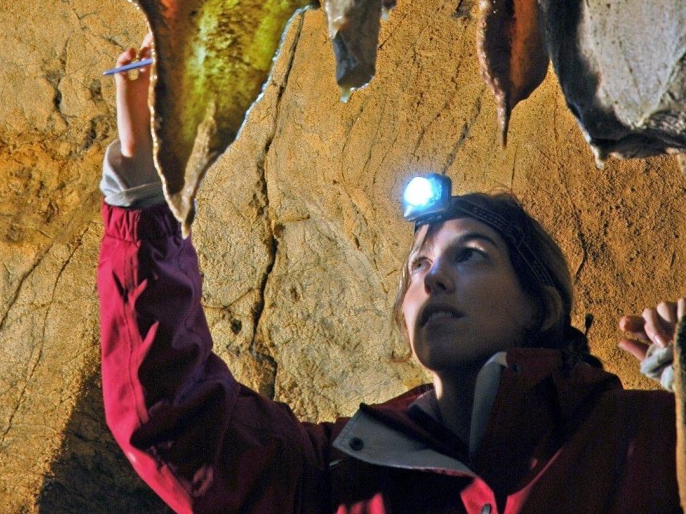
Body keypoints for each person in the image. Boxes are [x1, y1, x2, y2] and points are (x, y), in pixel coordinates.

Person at [99, 35, 684, 513]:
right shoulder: (338, 474)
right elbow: (179, 424)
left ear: (543, 306)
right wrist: (144, 181)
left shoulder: (637, 438)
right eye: (419, 265)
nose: (433, 279)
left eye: (471, 254)